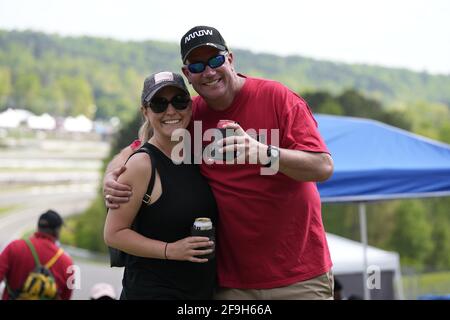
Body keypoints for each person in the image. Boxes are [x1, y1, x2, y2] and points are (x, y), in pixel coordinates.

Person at [104, 26, 334, 300]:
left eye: (215, 60)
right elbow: (141, 149)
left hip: (299, 277)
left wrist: (264, 152)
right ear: (188, 74)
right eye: (198, 65)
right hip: (230, 284)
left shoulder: (277, 98)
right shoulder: (190, 115)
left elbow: (323, 167)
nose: (209, 71)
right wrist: (111, 175)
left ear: (230, 59)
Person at [103, 71, 217, 300]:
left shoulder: (195, 152)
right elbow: (114, 234)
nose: (171, 111)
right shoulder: (142, 164)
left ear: (190, 105)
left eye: (179, 101)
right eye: (159, 103)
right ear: (145, 111)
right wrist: (170, 250)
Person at [0, 209, 74, 300]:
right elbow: (66, 296)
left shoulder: (15, 247)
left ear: (38, 227)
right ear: (57, 231)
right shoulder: (66, 262)